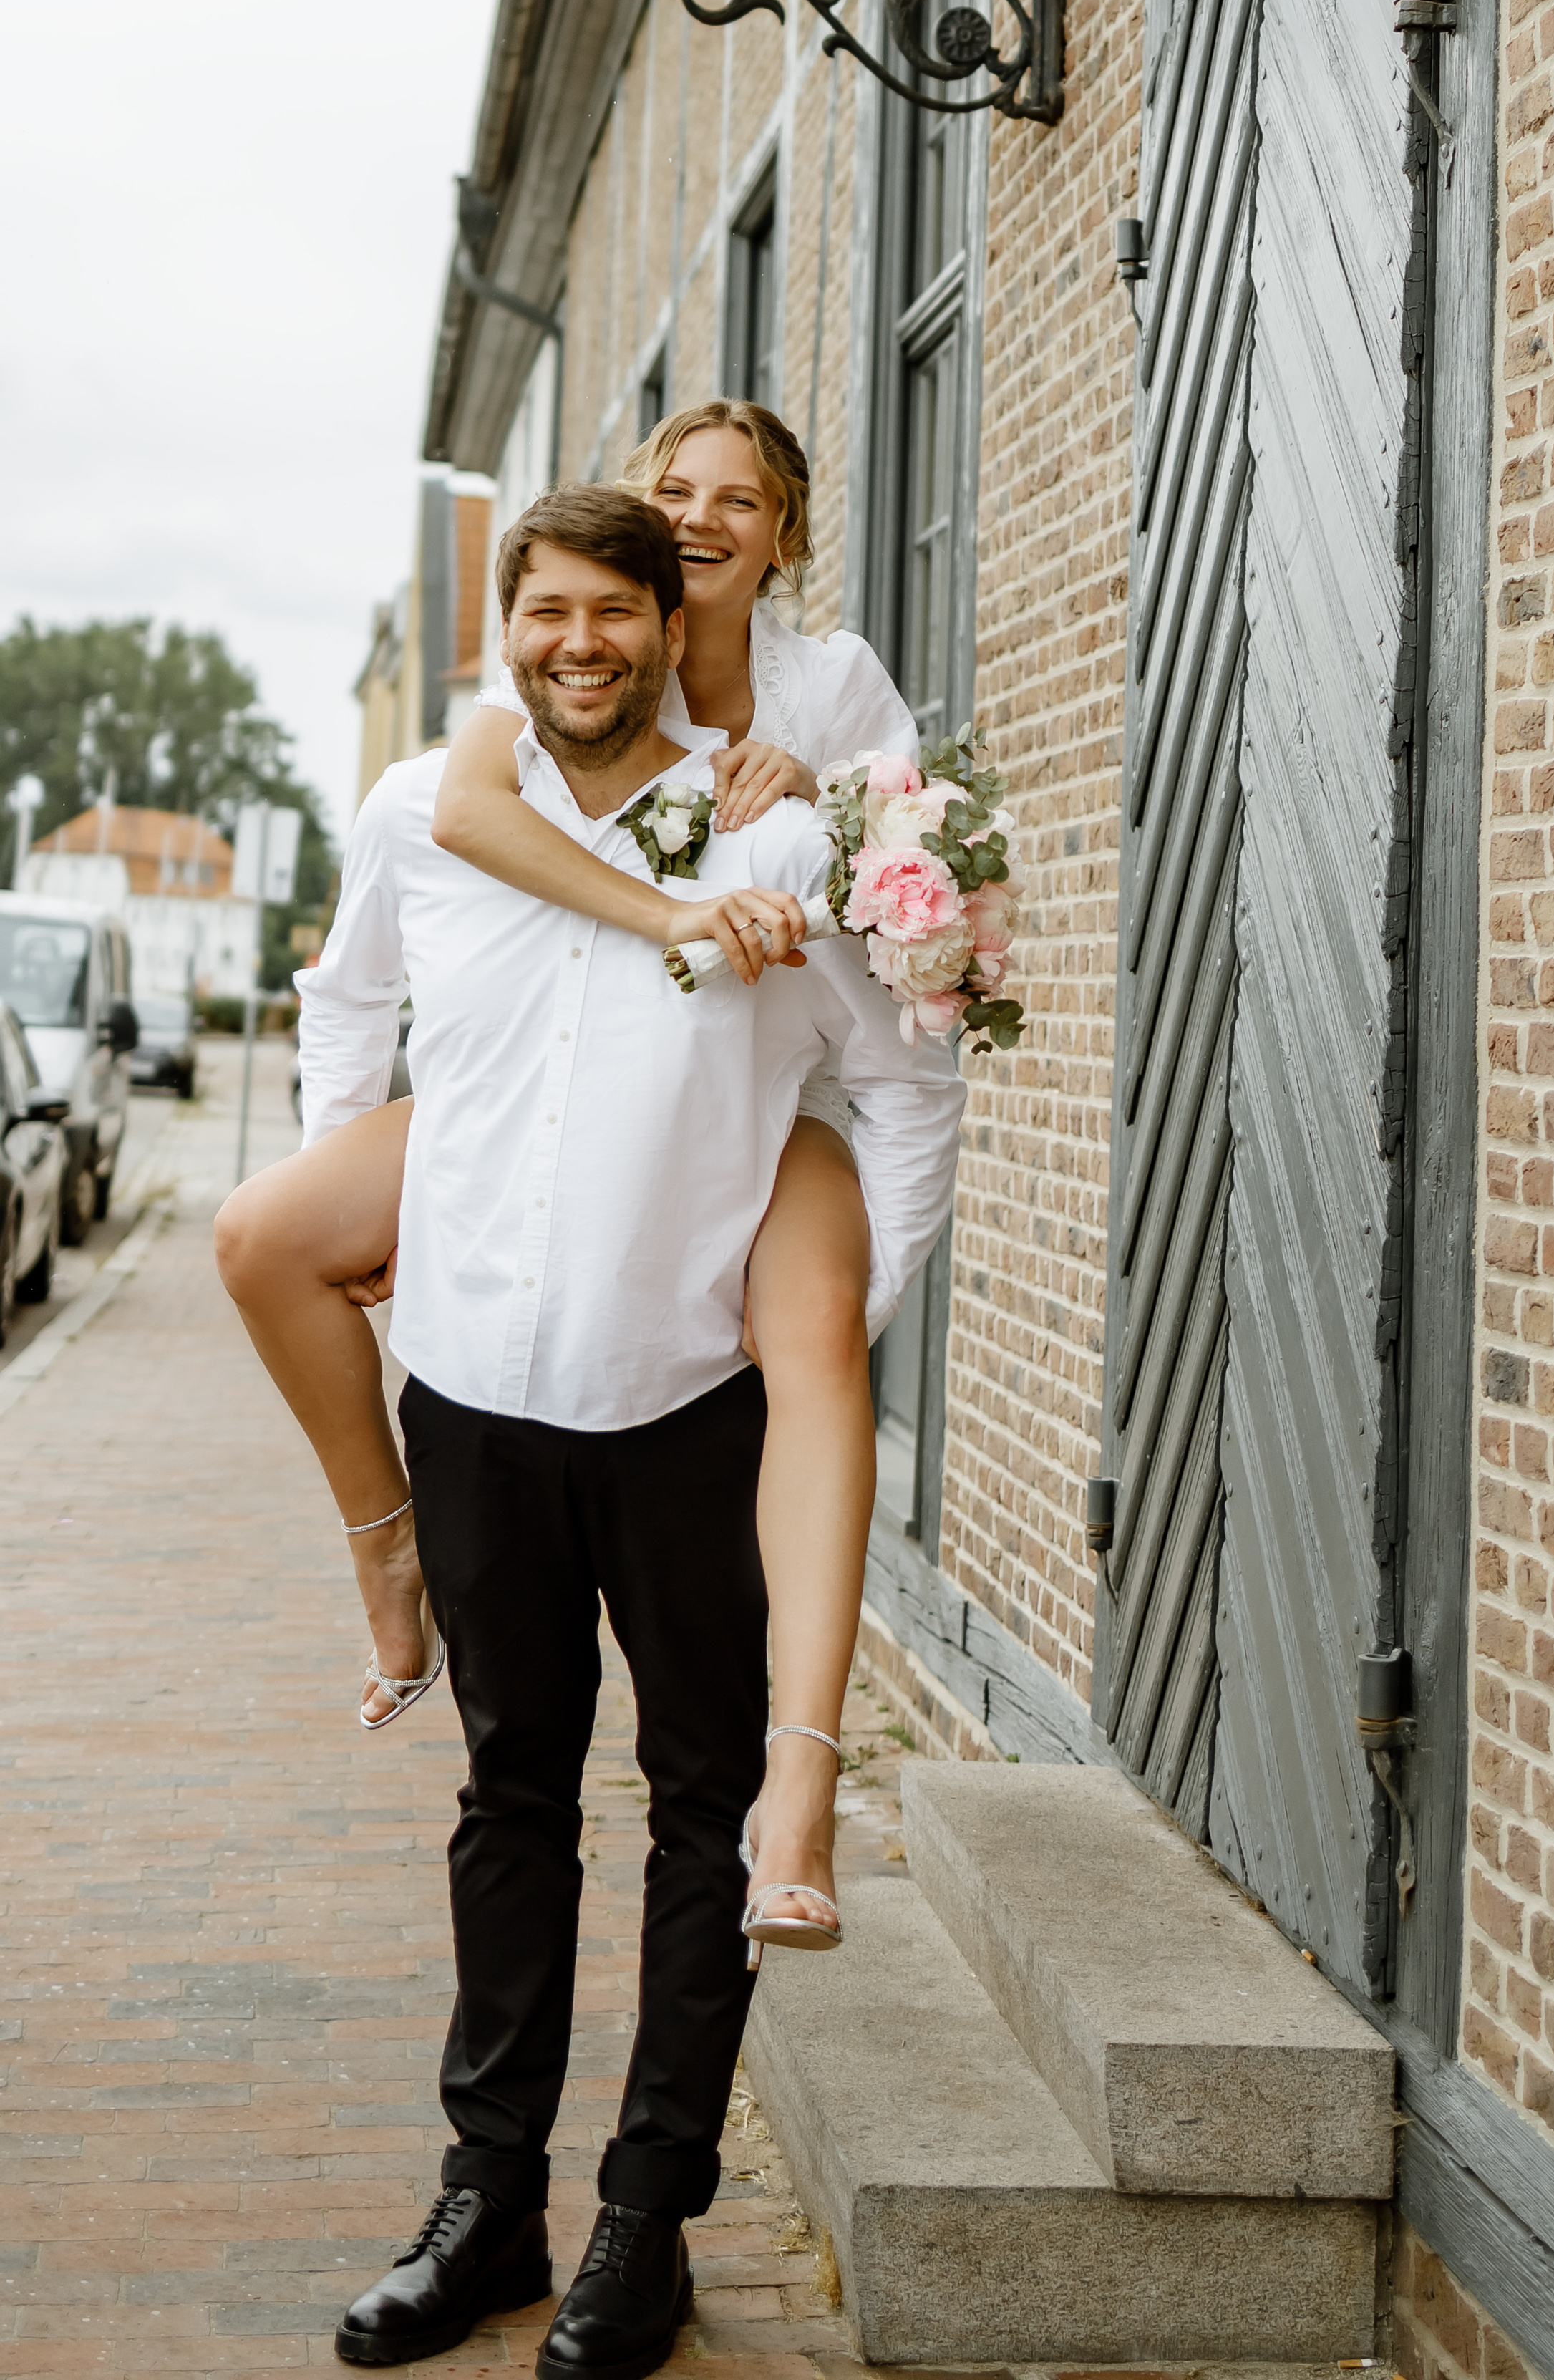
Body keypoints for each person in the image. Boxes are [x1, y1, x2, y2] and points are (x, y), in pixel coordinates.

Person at [291, 488, 963, 2373]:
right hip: (479, 1396)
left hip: (690, 1408)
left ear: (678, 627)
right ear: (507, 627)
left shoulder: (776, 821)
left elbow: (901, 1070)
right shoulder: (423, 808)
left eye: (616, 614)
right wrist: (352, 1205)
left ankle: (643, 2227)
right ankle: (486, 2203)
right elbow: (348, 1014)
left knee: (697, 1814)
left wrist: (848, 1300)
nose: (579, 644)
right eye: (549, 614)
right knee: (510, 1806)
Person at [214, 402, 919, 1946]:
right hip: (536, 1083)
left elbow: (898, 957)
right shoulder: (526, 699)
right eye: (673, 491)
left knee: (812, 1343)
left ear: (773, 542)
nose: (699, 517)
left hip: (761, 1099)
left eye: (739, 501)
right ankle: (382, 1545)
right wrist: (366, 1168)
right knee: (263, 1234)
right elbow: (458, 822)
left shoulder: (836, 687)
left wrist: (802, 798)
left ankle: (793, 1781)